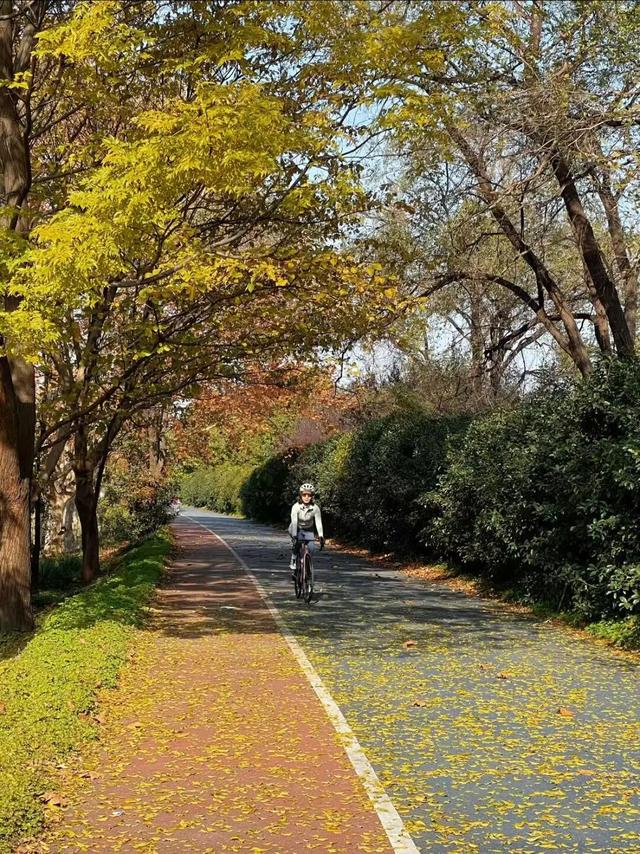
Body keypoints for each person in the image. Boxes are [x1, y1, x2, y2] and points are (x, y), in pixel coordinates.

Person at [289, 482, 324, 573]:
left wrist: (321, 536)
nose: (306, 497)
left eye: (309, 495)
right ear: (300, 495)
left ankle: (307, 566)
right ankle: (293, 558)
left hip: (309, 529)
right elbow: (294, 521)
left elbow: (318, 522)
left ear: (312, 496)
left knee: (311, 548)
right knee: (297, 543)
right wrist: (294, 535)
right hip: (296, 527)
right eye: (304, 495)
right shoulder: (296, 507)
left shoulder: (315, 508)